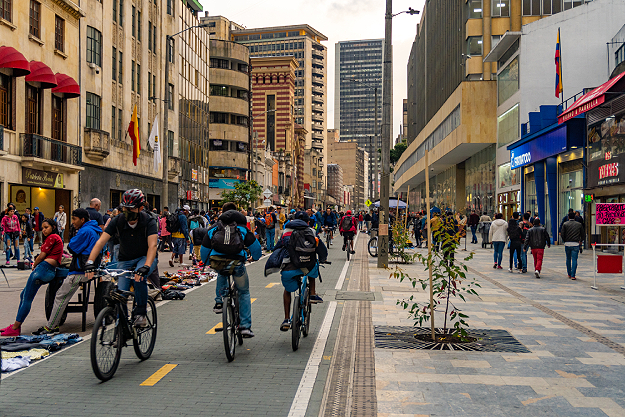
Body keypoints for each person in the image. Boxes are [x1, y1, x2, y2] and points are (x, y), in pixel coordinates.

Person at [85, 189, 158, 327]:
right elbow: (101, 242)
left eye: (131, 209)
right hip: (125, 259)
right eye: (125, 208)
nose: (127, 211)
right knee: (120, 292)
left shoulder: (148, 221)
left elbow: (153, 245)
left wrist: (146, 266)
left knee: (139, 278)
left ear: (140, 208)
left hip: (145, 257)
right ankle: (122, 324)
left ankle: (140, 313)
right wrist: (90, 262)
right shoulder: (117, 220)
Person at [32, 209, 101, 335]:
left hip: (80, 271)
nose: (72, 222)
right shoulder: (93, 229)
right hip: (88, 268)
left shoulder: (85, 231)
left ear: (82, 220)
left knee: (60, 296)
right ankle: (53, 324)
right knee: (61, 296)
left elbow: (72, 247)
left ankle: (51, 327)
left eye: (74, 219)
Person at [200, 202, 262, 338]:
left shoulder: (214, 228)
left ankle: (219, 301)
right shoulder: (242, 229)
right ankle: (245, 327)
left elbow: (204, 250)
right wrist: (254, 258)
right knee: (244, 292)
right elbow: (256, 249)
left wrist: (208, 263)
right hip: (237, 262)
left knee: (221, 272)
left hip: (218, 262)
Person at [265, 211, 328, 331]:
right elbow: (321, 249)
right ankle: (312, 294)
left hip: (289, 269)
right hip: (307, 267)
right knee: (314, 267)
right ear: (308, 222)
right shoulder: (312, 231)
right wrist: (323, 258)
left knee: (287, 290)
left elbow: (277, 248)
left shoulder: (286, 232)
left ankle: (286, 319)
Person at [0, 219, 63, 336]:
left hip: (43, 268)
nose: (44, 230)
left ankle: (15, 327)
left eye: (46, 227)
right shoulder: (55, 238)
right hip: (47, 269)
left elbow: (42, 256)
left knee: (27, 298)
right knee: (23, 295)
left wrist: (34, 265)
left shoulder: (52, 237)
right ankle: (15, 325)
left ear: (53, 227)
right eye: (42, 228)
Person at [561, 211, 585, 280]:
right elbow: (583, 234)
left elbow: (562, 234)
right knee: (574, 259)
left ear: (568, 217)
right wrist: (580, 240)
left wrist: (565, 240)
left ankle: (569, 273)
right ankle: (573, 275)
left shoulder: (565, 224)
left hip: (567, 244)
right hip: (575, 244)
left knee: (568, 259)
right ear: (575, 217)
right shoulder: (579, 224)